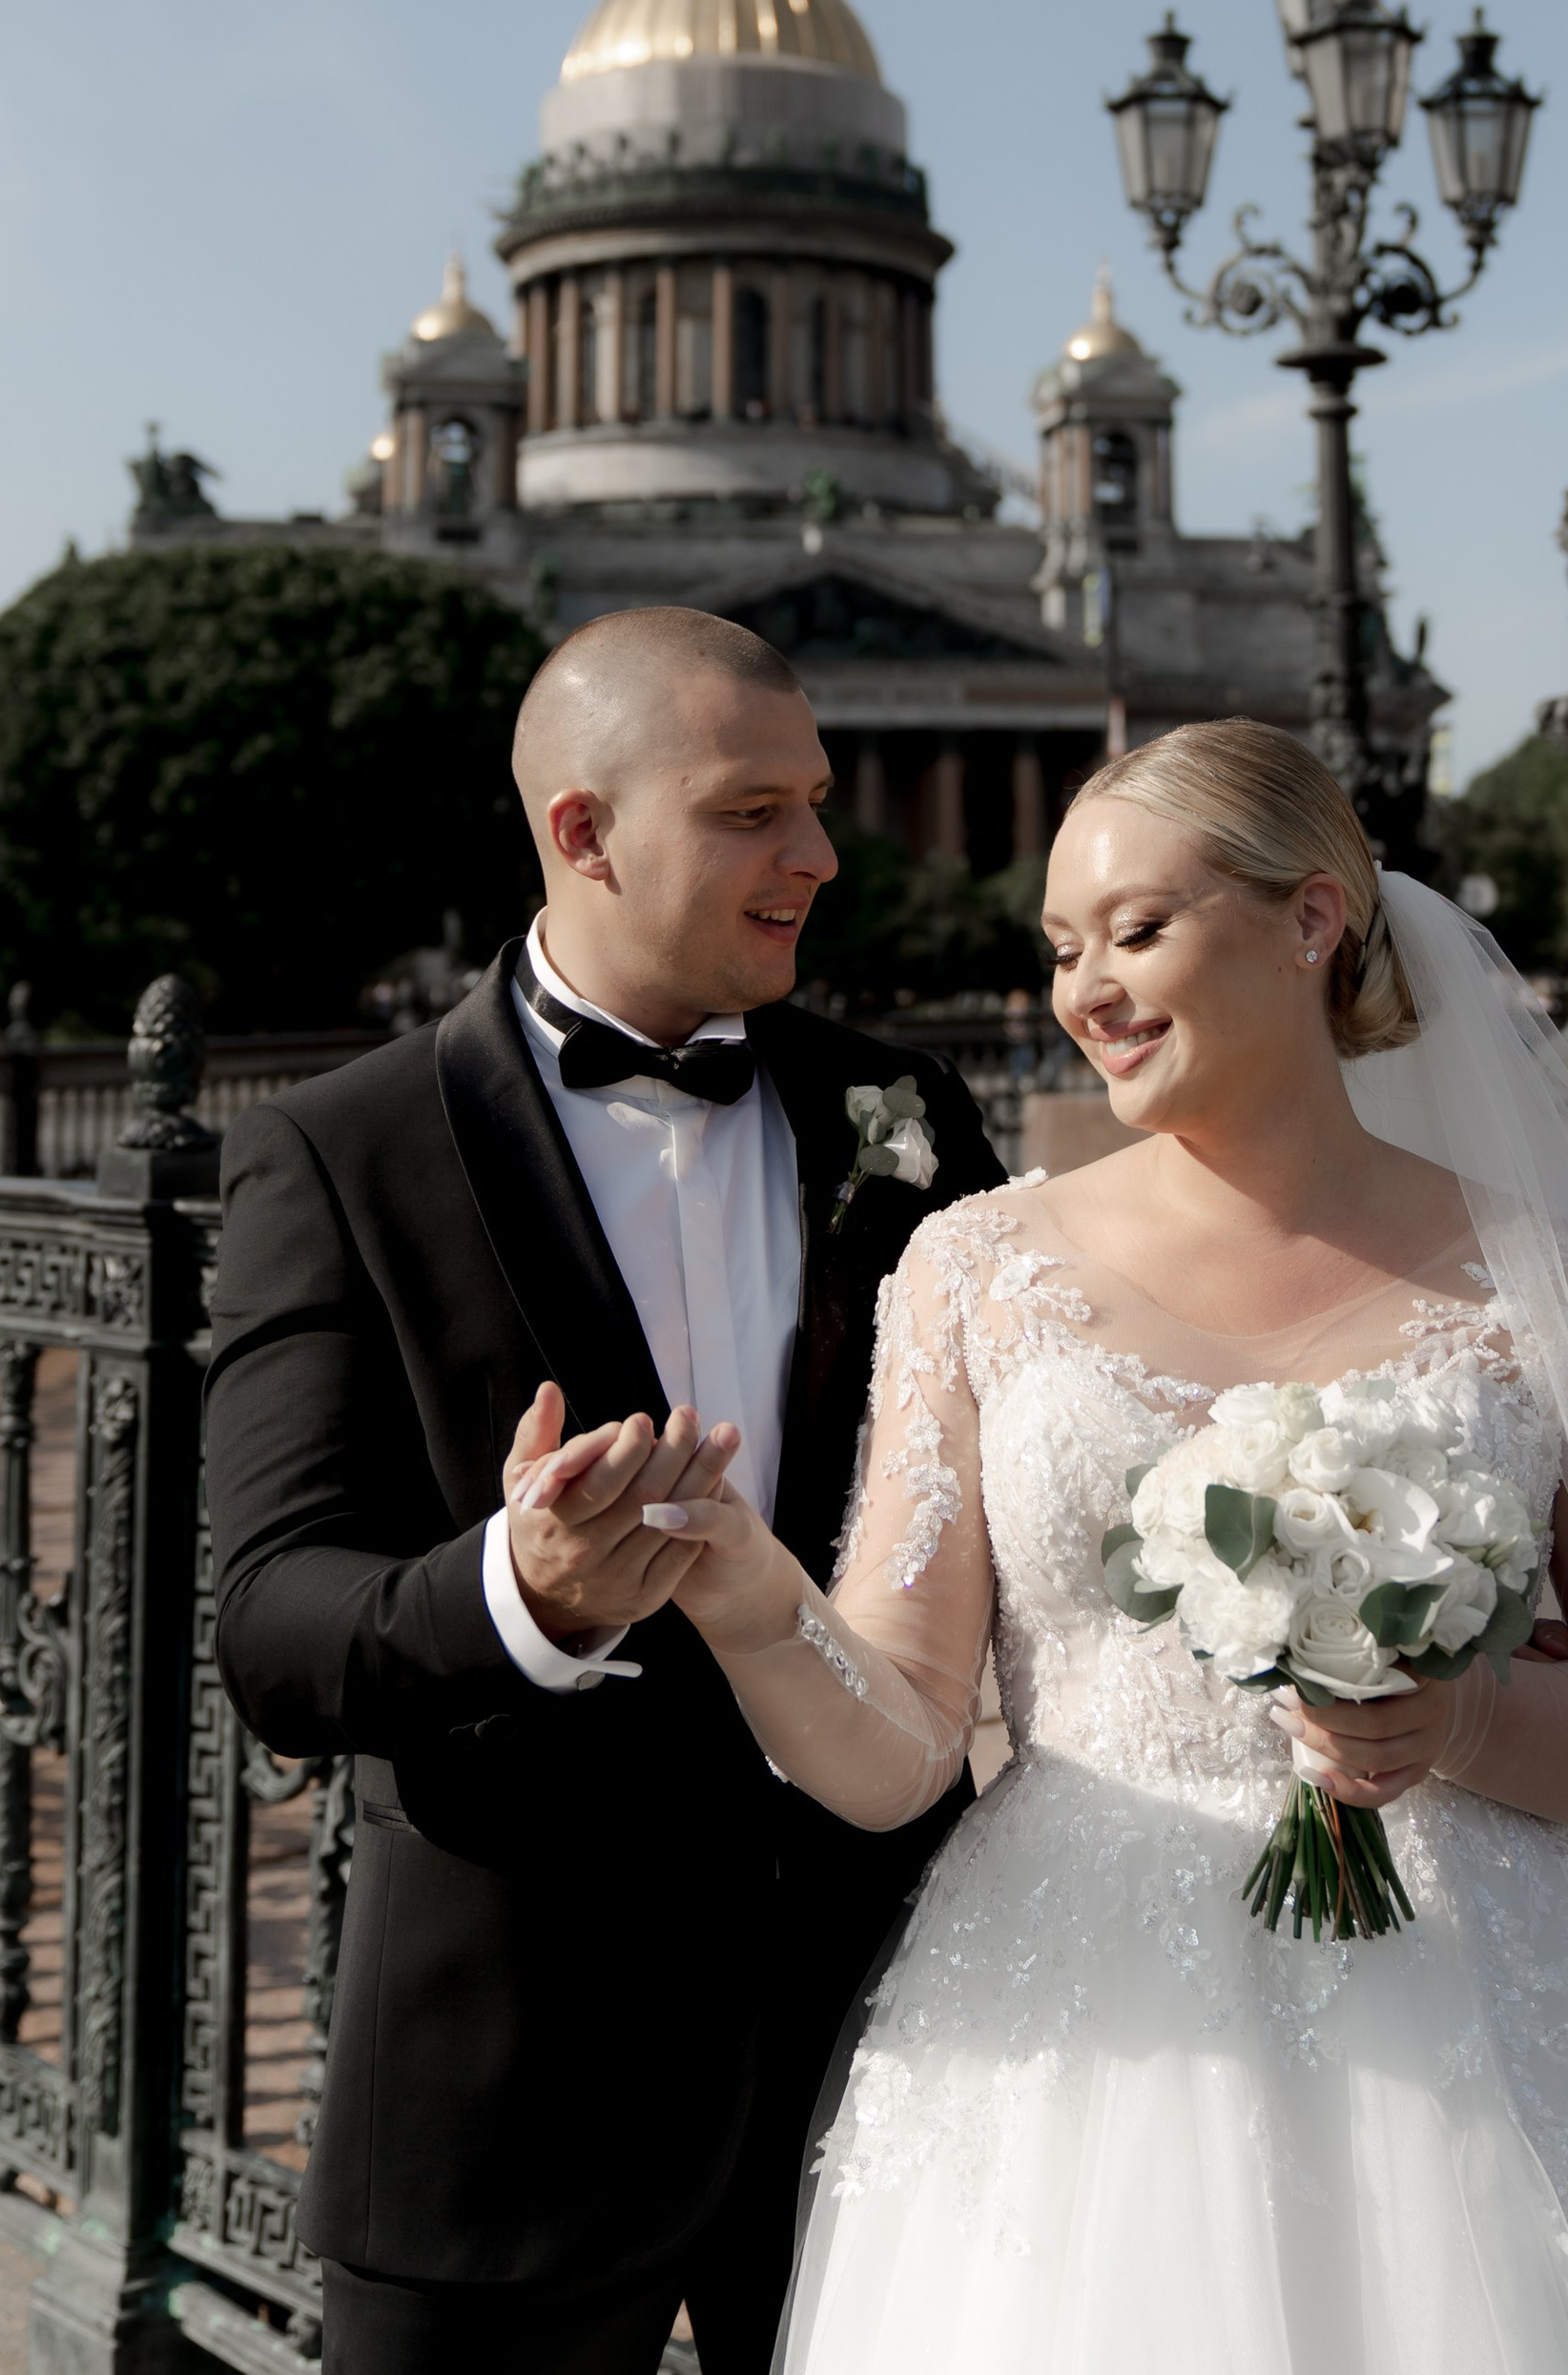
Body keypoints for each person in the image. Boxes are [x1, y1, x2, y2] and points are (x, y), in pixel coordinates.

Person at [633, 718, 1568, 2375]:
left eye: (1137, 930)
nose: (1088, 990)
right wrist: (751, 1599)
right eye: (1065, 949)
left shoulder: (1539, 1276)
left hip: (1486, 2031)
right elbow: (894, 1756)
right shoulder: (973, 1268)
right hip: (1089, 2042)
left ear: (1311, 919)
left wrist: (1470, 1721)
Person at [202, 606, 1005, 2375]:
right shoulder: (339, 1150)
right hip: (508, 2089)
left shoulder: (904, 1111)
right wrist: (526, 1593)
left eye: (816, 801)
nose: (818, 854)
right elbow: (270, 1624)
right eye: (751, 812)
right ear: (584, 831)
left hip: (896, 2065)